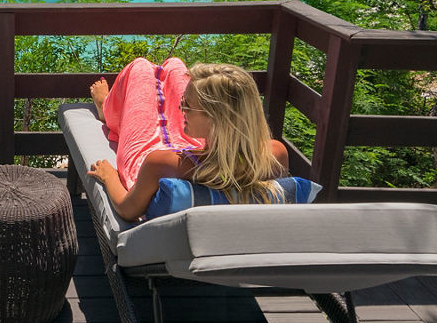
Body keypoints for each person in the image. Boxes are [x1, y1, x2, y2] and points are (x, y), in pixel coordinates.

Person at [87, 57, 291, 222]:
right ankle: (169, 73)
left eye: (188, 106)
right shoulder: (274, 154)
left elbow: (126, 208)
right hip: (195, 149)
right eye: (183, 102)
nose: (181, 109)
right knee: (175, 65)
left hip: (146, 151)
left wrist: (108, 175)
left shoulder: (160, 164)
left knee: (140, 66)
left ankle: (106, 107)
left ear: (216, 118)